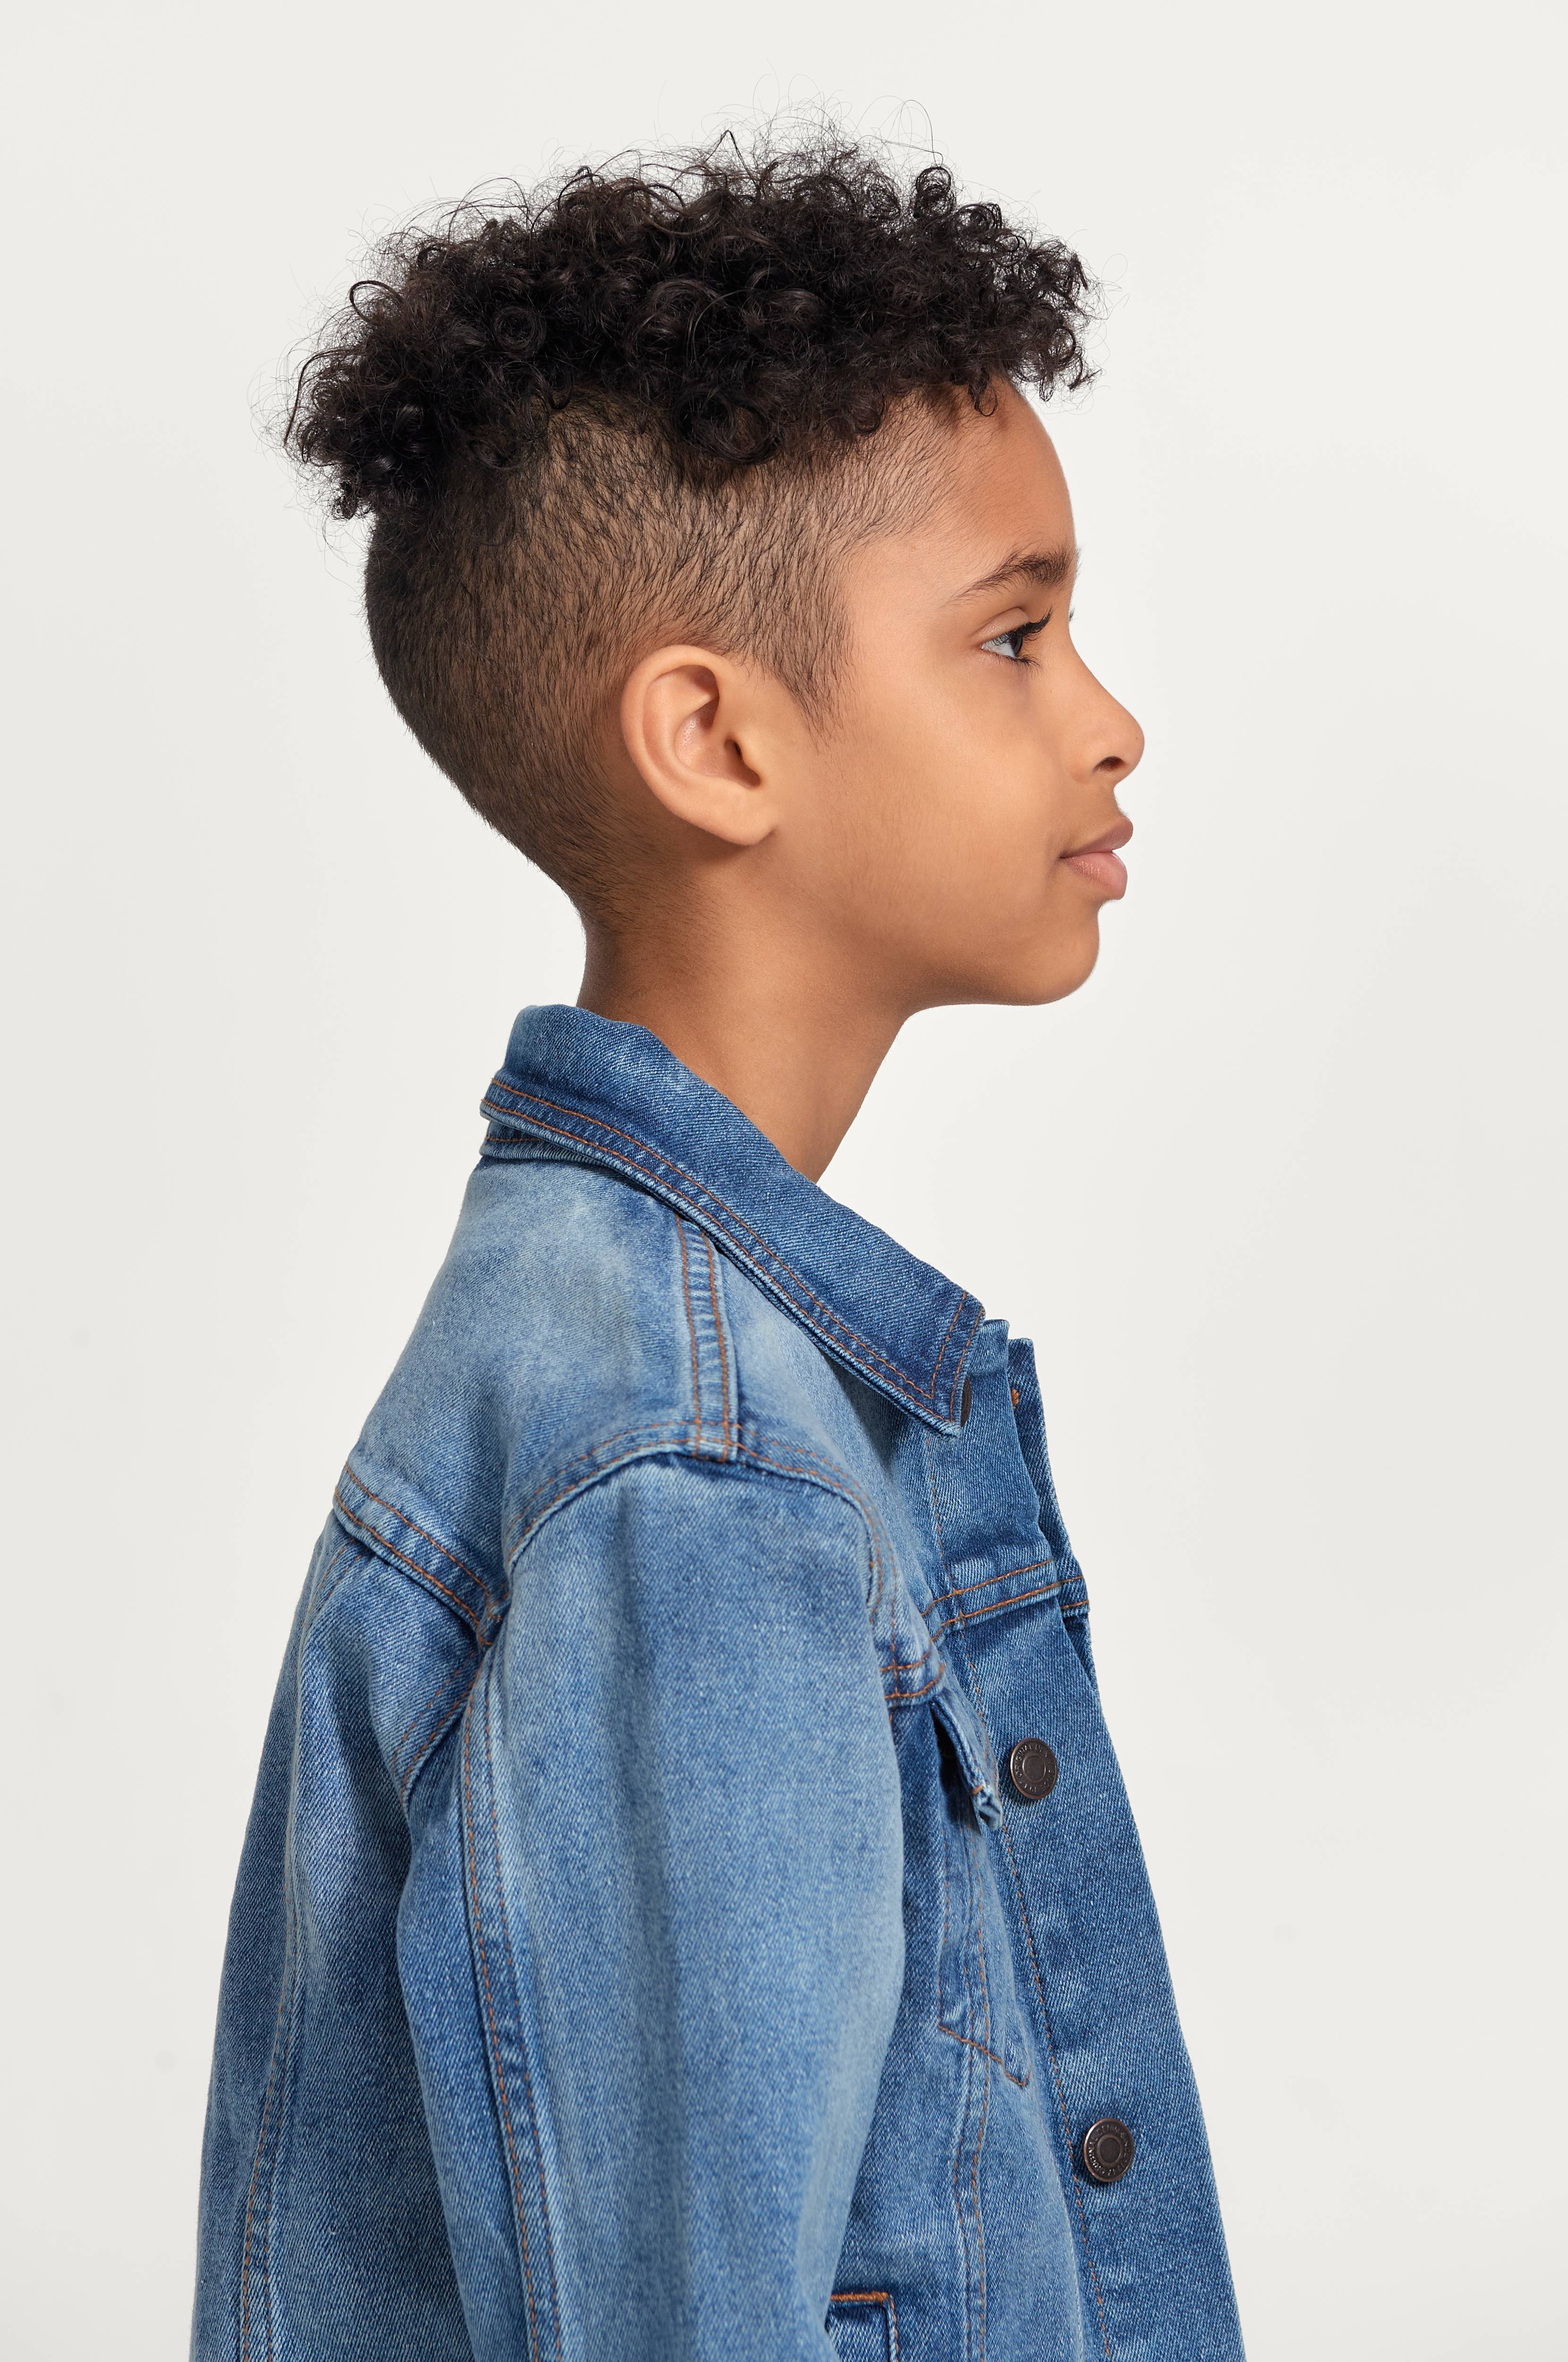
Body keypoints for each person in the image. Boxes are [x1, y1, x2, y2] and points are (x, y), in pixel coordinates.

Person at [193, 132, 1245, 2362]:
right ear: (712, 737)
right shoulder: (692, 1468)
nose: (1108, 718)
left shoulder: (681, 1375)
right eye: (1014, 636)